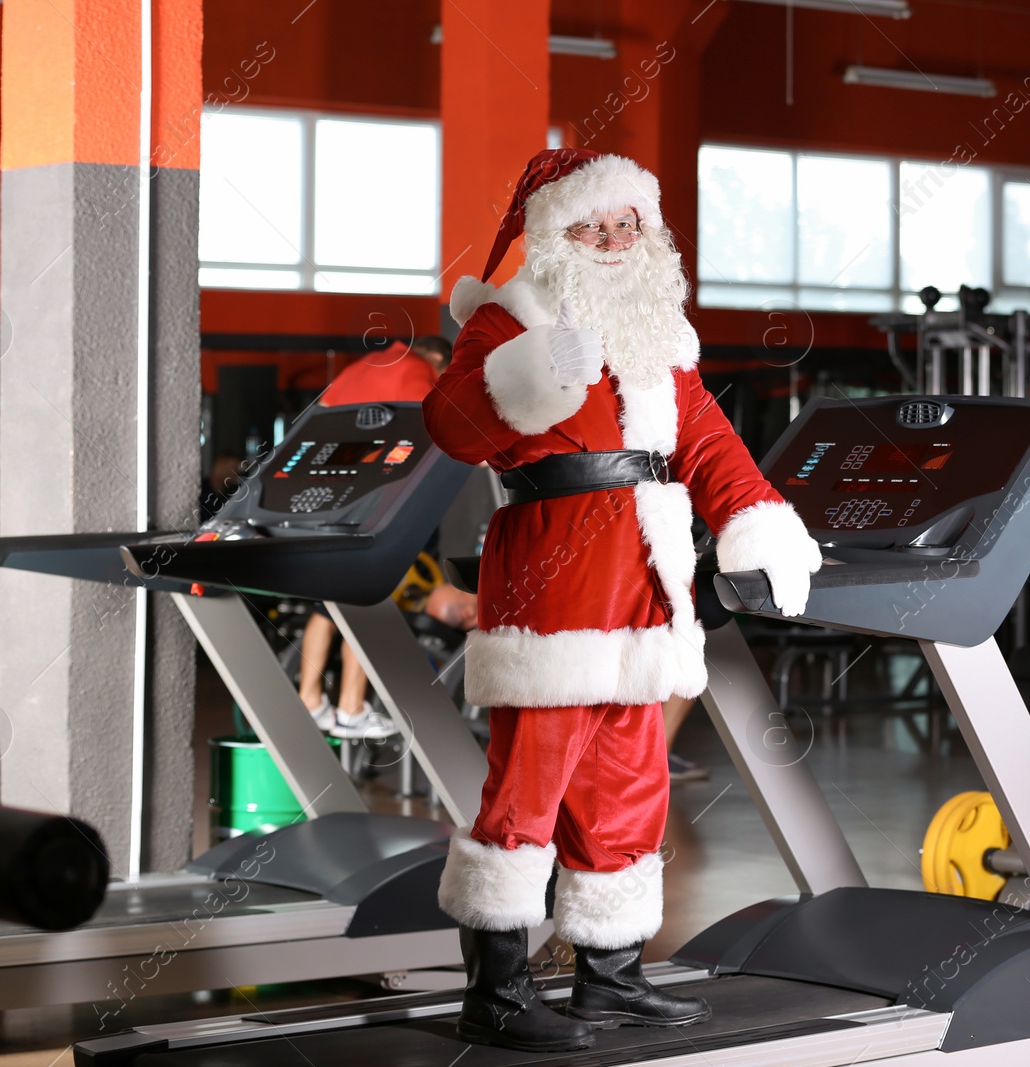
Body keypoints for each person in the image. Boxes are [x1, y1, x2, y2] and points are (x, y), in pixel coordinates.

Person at [423, 148, 821, 1052]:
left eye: (625, 224)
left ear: (647, 235)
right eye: (590, 225)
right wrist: (537, 374)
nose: (609, 239)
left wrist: (757, 521)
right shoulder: (506, 318)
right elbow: (452, 425)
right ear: (552, 234)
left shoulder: (656, 336)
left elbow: (710, 444)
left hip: (645, 594)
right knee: (526, 790)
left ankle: (610, 977)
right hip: (550, 592)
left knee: (628, 788)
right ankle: (495, 989)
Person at [297, 336, 476, 739]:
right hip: (375, 506)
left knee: (325, 608)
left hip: (329, 501)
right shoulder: (417, 371)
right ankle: (350, 707)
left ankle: (311, 701)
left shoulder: (361, 368)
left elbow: (317, 425)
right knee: (368, 603)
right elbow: (441, 428)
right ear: (438, 361)